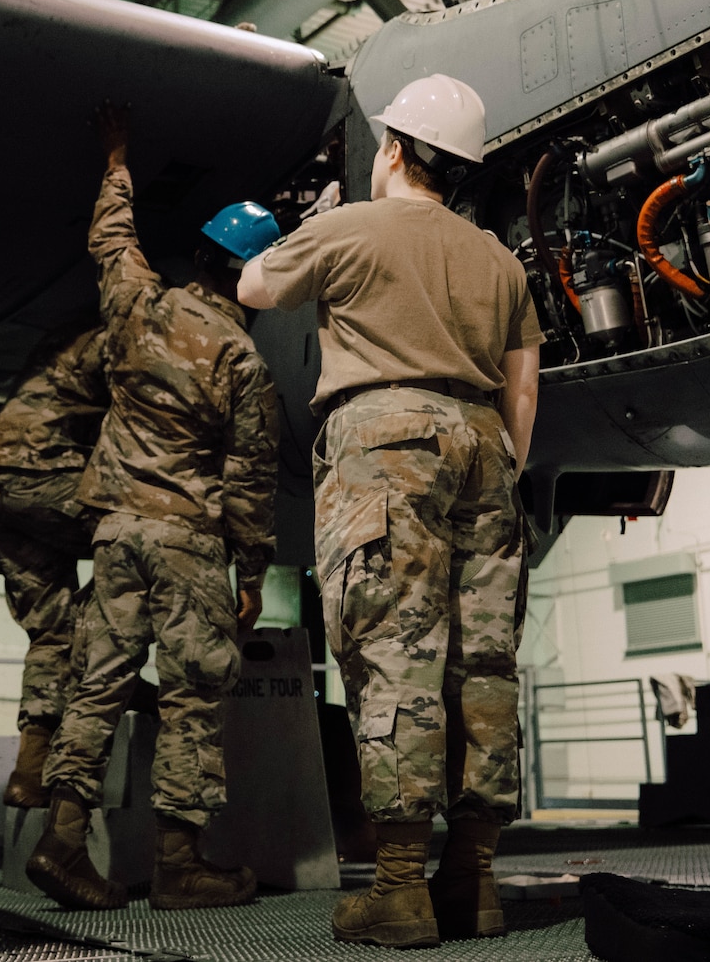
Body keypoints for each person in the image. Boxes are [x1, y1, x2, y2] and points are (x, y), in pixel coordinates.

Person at [236, 74, 542, 950]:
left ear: (398, 150)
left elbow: (256, 287)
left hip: (386, 440)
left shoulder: (347, 228)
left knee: (395, 656)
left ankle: (401, 888)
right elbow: (525, 386)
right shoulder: (499, 258)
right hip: (486, 445)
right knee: (482, 663)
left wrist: (310, 223)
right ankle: (473, 878)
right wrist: (503, 461)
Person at [27, 103, 281, 913]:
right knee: (190, 695)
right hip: (185, 542)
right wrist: (252, 568)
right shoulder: (242, 360)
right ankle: (181, 863)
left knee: (95, 685)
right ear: (251, 277)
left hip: (115, 531)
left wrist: (116, 157)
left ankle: (64, 842)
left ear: (201, 252)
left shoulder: (138, 305)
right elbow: (247, 476)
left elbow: (111, 236)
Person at [0, 321, 109, 809]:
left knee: (51, 633)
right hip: (47, 473)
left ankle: (29, 771)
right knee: (148, 542)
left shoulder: (61, 334)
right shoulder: (121, 332)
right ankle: (115, 682)